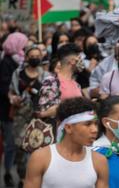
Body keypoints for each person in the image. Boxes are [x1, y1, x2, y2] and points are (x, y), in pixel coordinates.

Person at [24, 97, 108, 188]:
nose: (95, 130)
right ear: (68, 128)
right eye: (88, 124)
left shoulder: (99, 161)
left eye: (96, 124)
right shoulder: (41, 158)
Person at [8, 46, 49, 187]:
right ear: (26, 57)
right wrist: (13, 99)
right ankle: (22, 177)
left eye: (38, 55)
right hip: (21, 115)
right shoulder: (18, 73)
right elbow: (11, 92)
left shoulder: (45, 75)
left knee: (37, 147)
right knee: (21, 147)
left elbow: (49, 96)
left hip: (39, 116)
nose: (35, 58)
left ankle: (35, 179)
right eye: (32, 55)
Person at [0, 32, 28, 187]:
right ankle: (8, 173)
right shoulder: (6, 62)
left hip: (23, 111)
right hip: (9, 110)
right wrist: (14, 95)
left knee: (22, 143)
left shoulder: (22, 59)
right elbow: (4, 87)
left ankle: (22, 174)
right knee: (11, 143)